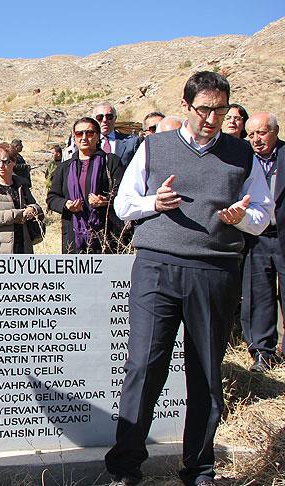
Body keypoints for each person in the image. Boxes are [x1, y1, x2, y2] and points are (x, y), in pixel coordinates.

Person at [106, 71, 273, 486]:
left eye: (220, 110)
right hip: (157, 268)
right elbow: (124, 205)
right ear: (186, 107)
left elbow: (263, 213)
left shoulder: (243, 154)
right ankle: (125, 468)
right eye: (204, 109)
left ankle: (199, 468)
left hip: (214, 271)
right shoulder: (154, 146)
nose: (212, 118)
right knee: (144, 367)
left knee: (205, 373)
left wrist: (242, 218)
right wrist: (153, 202)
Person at [240, 112, 284, 372]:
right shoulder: (244, 159)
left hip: (283, 235)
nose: (256, 139)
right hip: (256, 238)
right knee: (259, 296)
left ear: (275, 131)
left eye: (262, 132)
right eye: (251, 134)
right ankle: (263, 353)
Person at [47, 117, 124, 253]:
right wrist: (66, 204)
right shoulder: (65, 167)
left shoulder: (111, 162)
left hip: (106, 234)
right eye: (79, 134)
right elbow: (52, 198)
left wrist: (106, 201)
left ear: (98, 136)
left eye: (89, 133)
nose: (84, 137)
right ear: (74, 137)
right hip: (73, 235)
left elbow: (123, 193)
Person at [0, 143, 43, 254]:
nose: (1, 166)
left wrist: (33, 209)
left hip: (23, 248)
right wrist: (15, 215)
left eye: (5, 161)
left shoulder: (21, 186)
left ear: (14, 162)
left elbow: (38, 209)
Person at [93, 102, 140, 167]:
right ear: (94, 120)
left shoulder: (132, 142)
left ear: (115, 118)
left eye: (109, 116)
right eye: (100, 117)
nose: (104, 120)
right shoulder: (88, 143)